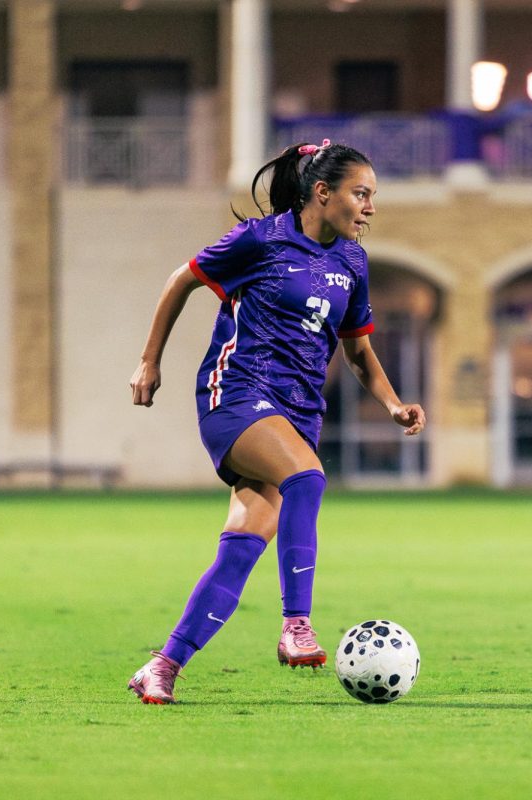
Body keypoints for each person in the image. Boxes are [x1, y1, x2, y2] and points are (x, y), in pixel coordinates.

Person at [126, 139, 426, 704]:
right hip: (235, 394)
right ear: (322, 192)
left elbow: (358, 352)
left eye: (373, 197)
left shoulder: (352, 262)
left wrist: (391, 403)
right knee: (307, 477)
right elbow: (181, 280)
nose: (370, 207)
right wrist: (149, 359)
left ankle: (162, 665)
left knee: (241, 548)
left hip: (296, 416)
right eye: (360, 194)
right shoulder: (261, 239)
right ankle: (296, 624)